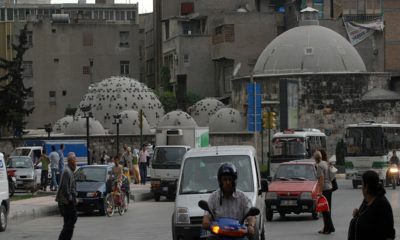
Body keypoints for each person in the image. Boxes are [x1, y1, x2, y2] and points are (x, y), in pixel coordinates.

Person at [202, 163, 256, 239]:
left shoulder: (243, 197)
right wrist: (206, 222)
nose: (227, 182)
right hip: (219, 235)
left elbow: (251, 215)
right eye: (225, 179)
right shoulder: (213, 197)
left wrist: (251, 226)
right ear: (220, 182)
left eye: (230, 179)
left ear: (234, 181)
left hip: (238, 235)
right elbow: (207, 214)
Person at [348, 170, 395, 240]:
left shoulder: (383, 206)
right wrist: (358, 216)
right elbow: (365, 218)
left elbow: (389, 234)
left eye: (362, 183)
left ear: (366, 187)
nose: (361, 188)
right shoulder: (367, 201)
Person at [56, 152, 78, 240]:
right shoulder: (67, 171)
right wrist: (71, 199)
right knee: (69, 222)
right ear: (71, 161)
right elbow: (65, 188)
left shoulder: (70, 171)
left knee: (70, 222)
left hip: (70, 200)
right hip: (67, 201)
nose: (76, 162)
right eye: (75, 160)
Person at [314, 150, 335, 234]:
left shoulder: (319, 166)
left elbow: (321, 180)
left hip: (325, 189)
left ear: (315, 158)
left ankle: (330, 228)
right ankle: (327, 228)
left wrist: (320, 192)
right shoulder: (325, 163)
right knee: (327, 209)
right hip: (329, 188)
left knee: (325, 210)